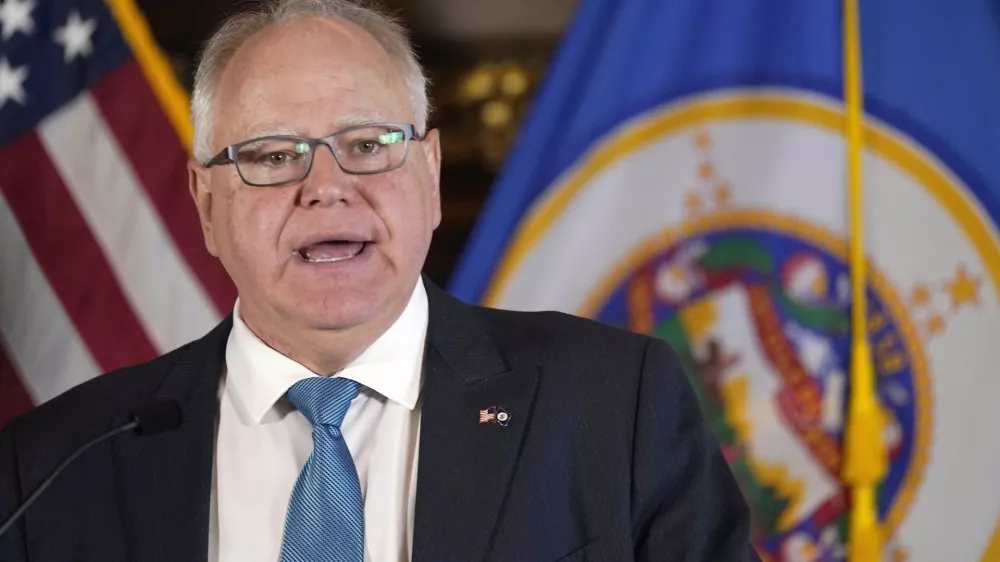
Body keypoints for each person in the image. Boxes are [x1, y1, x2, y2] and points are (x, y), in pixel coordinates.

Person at [0, 1, 759, 560]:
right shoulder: (54, 464)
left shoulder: (612, 406)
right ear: (205, 202)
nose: (327, 188)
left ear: (428, 176)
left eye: (367, 144)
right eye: (271, 155)